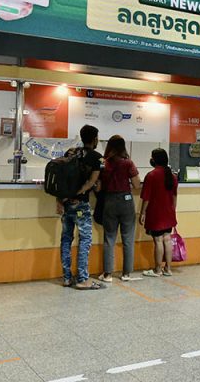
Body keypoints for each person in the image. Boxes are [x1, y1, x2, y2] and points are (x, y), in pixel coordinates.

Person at [57, 124, 104, 290]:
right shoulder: (97, 158)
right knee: (85, 240)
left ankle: (67, 278)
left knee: (66, 239)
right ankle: (83, 278)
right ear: (95, 139)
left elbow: (61, 179)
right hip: (81, 205)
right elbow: (93, 183)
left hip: (66, 204)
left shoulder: (71, 153)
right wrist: (78, 192)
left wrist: (61, 200)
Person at [98, 135, 141, 283]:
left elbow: (98, 186)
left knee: (109, 238)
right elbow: (137, 185)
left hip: (109, 201)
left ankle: (108, 275)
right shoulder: (128, 163)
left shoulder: (104, 163)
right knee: (128, 238)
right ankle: (126, 273)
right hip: (126, 201)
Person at [140, 149, 179, 277]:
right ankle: (168, 269)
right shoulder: (172, 176)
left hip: (155, 213)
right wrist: (173, 210)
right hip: (168, 213)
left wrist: (142, 213)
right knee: (167, 239)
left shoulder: (151, 175)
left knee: (158, 240)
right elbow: (174, 196)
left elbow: (146, 198)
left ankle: (157, 269)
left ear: (155, 160)